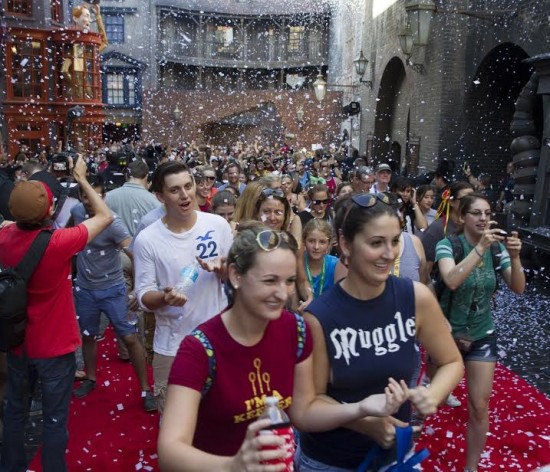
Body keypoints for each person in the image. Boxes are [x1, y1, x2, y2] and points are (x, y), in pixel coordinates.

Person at [157, 222, 409, 470]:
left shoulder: (295, 330)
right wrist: (233, 466)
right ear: (235, 275)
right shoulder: (199, 349)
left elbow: (303, 413)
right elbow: (170, 451)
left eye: (289, 281)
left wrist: (360, 408)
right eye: (269, 281)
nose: (282, 293)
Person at [299, 192, 464, 471]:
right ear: (345, 244)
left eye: (395, 241)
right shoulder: (320, 317)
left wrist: (432, 394)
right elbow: (307, 407)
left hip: (395, 457)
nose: (389, 254)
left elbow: (450, 361)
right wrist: (363, 422)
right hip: (331, 461)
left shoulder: (416, 297)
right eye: (376, 243)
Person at [0, 157, 113, 472]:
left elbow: (11, 226)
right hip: (55, 346)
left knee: (15, 412)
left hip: (19, 342)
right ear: (49, 211)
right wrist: (82, 178)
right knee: (53, 418)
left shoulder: (4, 238)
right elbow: (105, 216)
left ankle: (11, 466)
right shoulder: (59, 242)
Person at [133, 161, 233, 413]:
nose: (185, 194)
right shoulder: (147, 239)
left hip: (218, 341)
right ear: (160, 196)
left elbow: (238, 278)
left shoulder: (217, 225)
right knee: (173, 425)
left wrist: (225, 271)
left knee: (220, 420)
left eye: (188, 186)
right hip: (172, 345)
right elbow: (144, 296)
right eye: (175, 190)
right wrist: (165, 297)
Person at [435, 193, 525, 472]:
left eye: (487, 213)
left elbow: (518, 287)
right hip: (447, 332)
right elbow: (451, 280)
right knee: (431, 399)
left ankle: (471, 468)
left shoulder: (496, 250)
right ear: (462, 217)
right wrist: (479, 249)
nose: (484, 218)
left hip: (482, 332)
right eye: (476, 213)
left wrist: (514, 256)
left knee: (479, 405)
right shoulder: (447, 245)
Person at [70, 175, 156, 411]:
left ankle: (146, 389)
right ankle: (90, 377)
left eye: (97, 196)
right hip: (85, 289)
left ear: (104, 196)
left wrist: (140, 288)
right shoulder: (77, 212)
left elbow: (135, 253)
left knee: (129, 337)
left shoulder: (113, 222)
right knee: (88, 335)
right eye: (87, 195)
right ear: (80, 196)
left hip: (113, 289)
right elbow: (68, 235)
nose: (90, 200)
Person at [303, 219, 339, 299]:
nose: (316, 247)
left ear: (329, 244)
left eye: (322, 242)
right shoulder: (298, 264)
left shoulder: (336, 265)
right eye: (311, 241)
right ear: (304, 241)